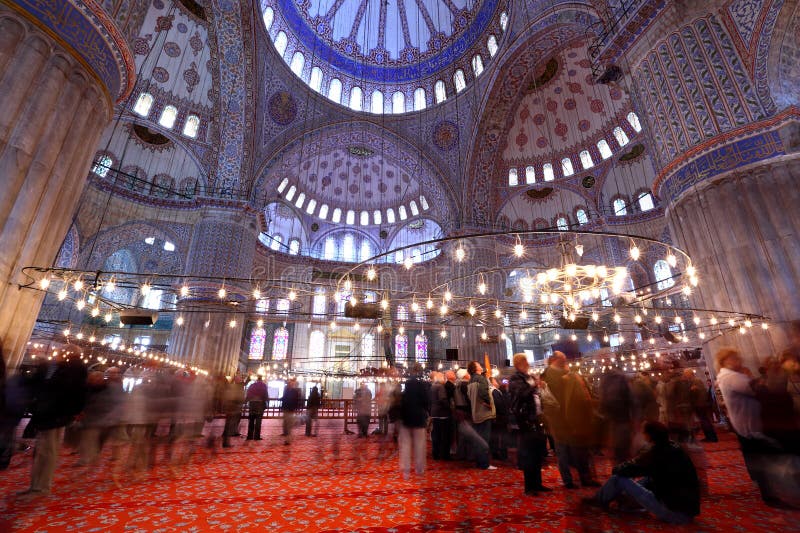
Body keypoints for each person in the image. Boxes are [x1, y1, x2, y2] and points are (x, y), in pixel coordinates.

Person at [716, 347, 799, 508]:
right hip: (750, 425)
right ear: (724, 361)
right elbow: (759, 389)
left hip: (751, 424)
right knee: (768, 459)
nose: (738, 361)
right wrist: (772, 376)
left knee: (762, 459)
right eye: (733, 358)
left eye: (737, 357)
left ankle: (773, 491)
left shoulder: (732, 376)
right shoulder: (730, 377)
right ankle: (773, 495)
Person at [582, 421, 700, 524]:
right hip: (686, 512)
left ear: (649, 436)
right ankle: (626, 501)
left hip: (673, 512)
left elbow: (625, 469)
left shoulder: (656, 453)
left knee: (618, 479)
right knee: (648, 478)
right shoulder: (674, 448)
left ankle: (599, 500)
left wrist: (619, 469)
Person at [22, 357, 87, 496]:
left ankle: (42, 487)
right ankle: (36, 485)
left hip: (55, 416)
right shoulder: (57, 371)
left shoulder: (69, 373)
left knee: (47, 452)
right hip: (49, 415)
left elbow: (72, 395)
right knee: (42, 451)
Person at [541, 351, 599, 488]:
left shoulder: (565, 374)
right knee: (563, 452)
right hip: (559, 420)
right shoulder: (550, 375)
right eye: (563, 358)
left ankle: (584, 478)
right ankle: (568, 481)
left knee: (579, 450)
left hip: (573, 418)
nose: (565, 360)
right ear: (556, 359)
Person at [508, 353, 550, 494]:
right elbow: (521, 395)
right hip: (526, 420)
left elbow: (533, 394)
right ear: (519, 363)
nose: (528, 363)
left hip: (536, 418)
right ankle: (530, 487)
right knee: (529, 454)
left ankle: (538, 484)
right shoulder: (515, 378)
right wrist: (534, 385)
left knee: (538, 453)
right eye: (525, 361)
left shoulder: (528, 377)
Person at [398, 363, 429, 479]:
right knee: (419, 445)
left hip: (406, 417)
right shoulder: (422, 384)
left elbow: (404, 400)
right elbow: (426, 401)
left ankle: (406, 471)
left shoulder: (407, 383)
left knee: (406, 445)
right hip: (419, 418)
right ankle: (419, 469)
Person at [429, 372, 451, 460]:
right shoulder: (441, 387)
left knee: (435, 434)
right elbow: (443, 399)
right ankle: (444, 455)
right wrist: (448, 407)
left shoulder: (432, 386)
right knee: (444, 435)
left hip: (434, 413)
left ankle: (435, 453)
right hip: (442, 414)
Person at [490, 379, 509, 461]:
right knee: (501, 436)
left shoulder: (494, 391)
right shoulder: (494, 391)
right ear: (491, 382)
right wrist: (504, 413)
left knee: (496, 436)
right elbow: (499, 404)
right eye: (495, 380)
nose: (497, 382)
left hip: (497, 416)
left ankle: (496, 453)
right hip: (500, 417)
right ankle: (501, 454)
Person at [222, 377, 244, 447]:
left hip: (229, 407)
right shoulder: (237, 388)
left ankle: (225, 441)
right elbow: (240, 398)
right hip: (233, 408)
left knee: (228, 424)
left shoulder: (231, 387)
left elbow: (226, 397)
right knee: (230, 425)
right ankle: (226, 442)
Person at [245, 376, 268, 441]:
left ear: (257, 380)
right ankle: (256, 436)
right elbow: (266, 395)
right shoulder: (264, 385)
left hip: (252, 404)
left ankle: (249, 436)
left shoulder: (252, 385)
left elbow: (248, 393)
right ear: (261, 379)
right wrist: (266, 403)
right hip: (260, 405)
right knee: (258, 421)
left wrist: (246, 401)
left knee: (251, 421)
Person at [281, 378, 302, 444]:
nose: (290, 384)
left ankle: (288, 440)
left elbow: (296, 401)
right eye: (289, 383)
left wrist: (296, 409)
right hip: (286, 409)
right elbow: (284, 398)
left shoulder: (295, 392)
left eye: (291, 383)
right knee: (285, 424)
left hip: (290, 410)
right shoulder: (287, 390)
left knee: (288, 425)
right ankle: (287, 437)